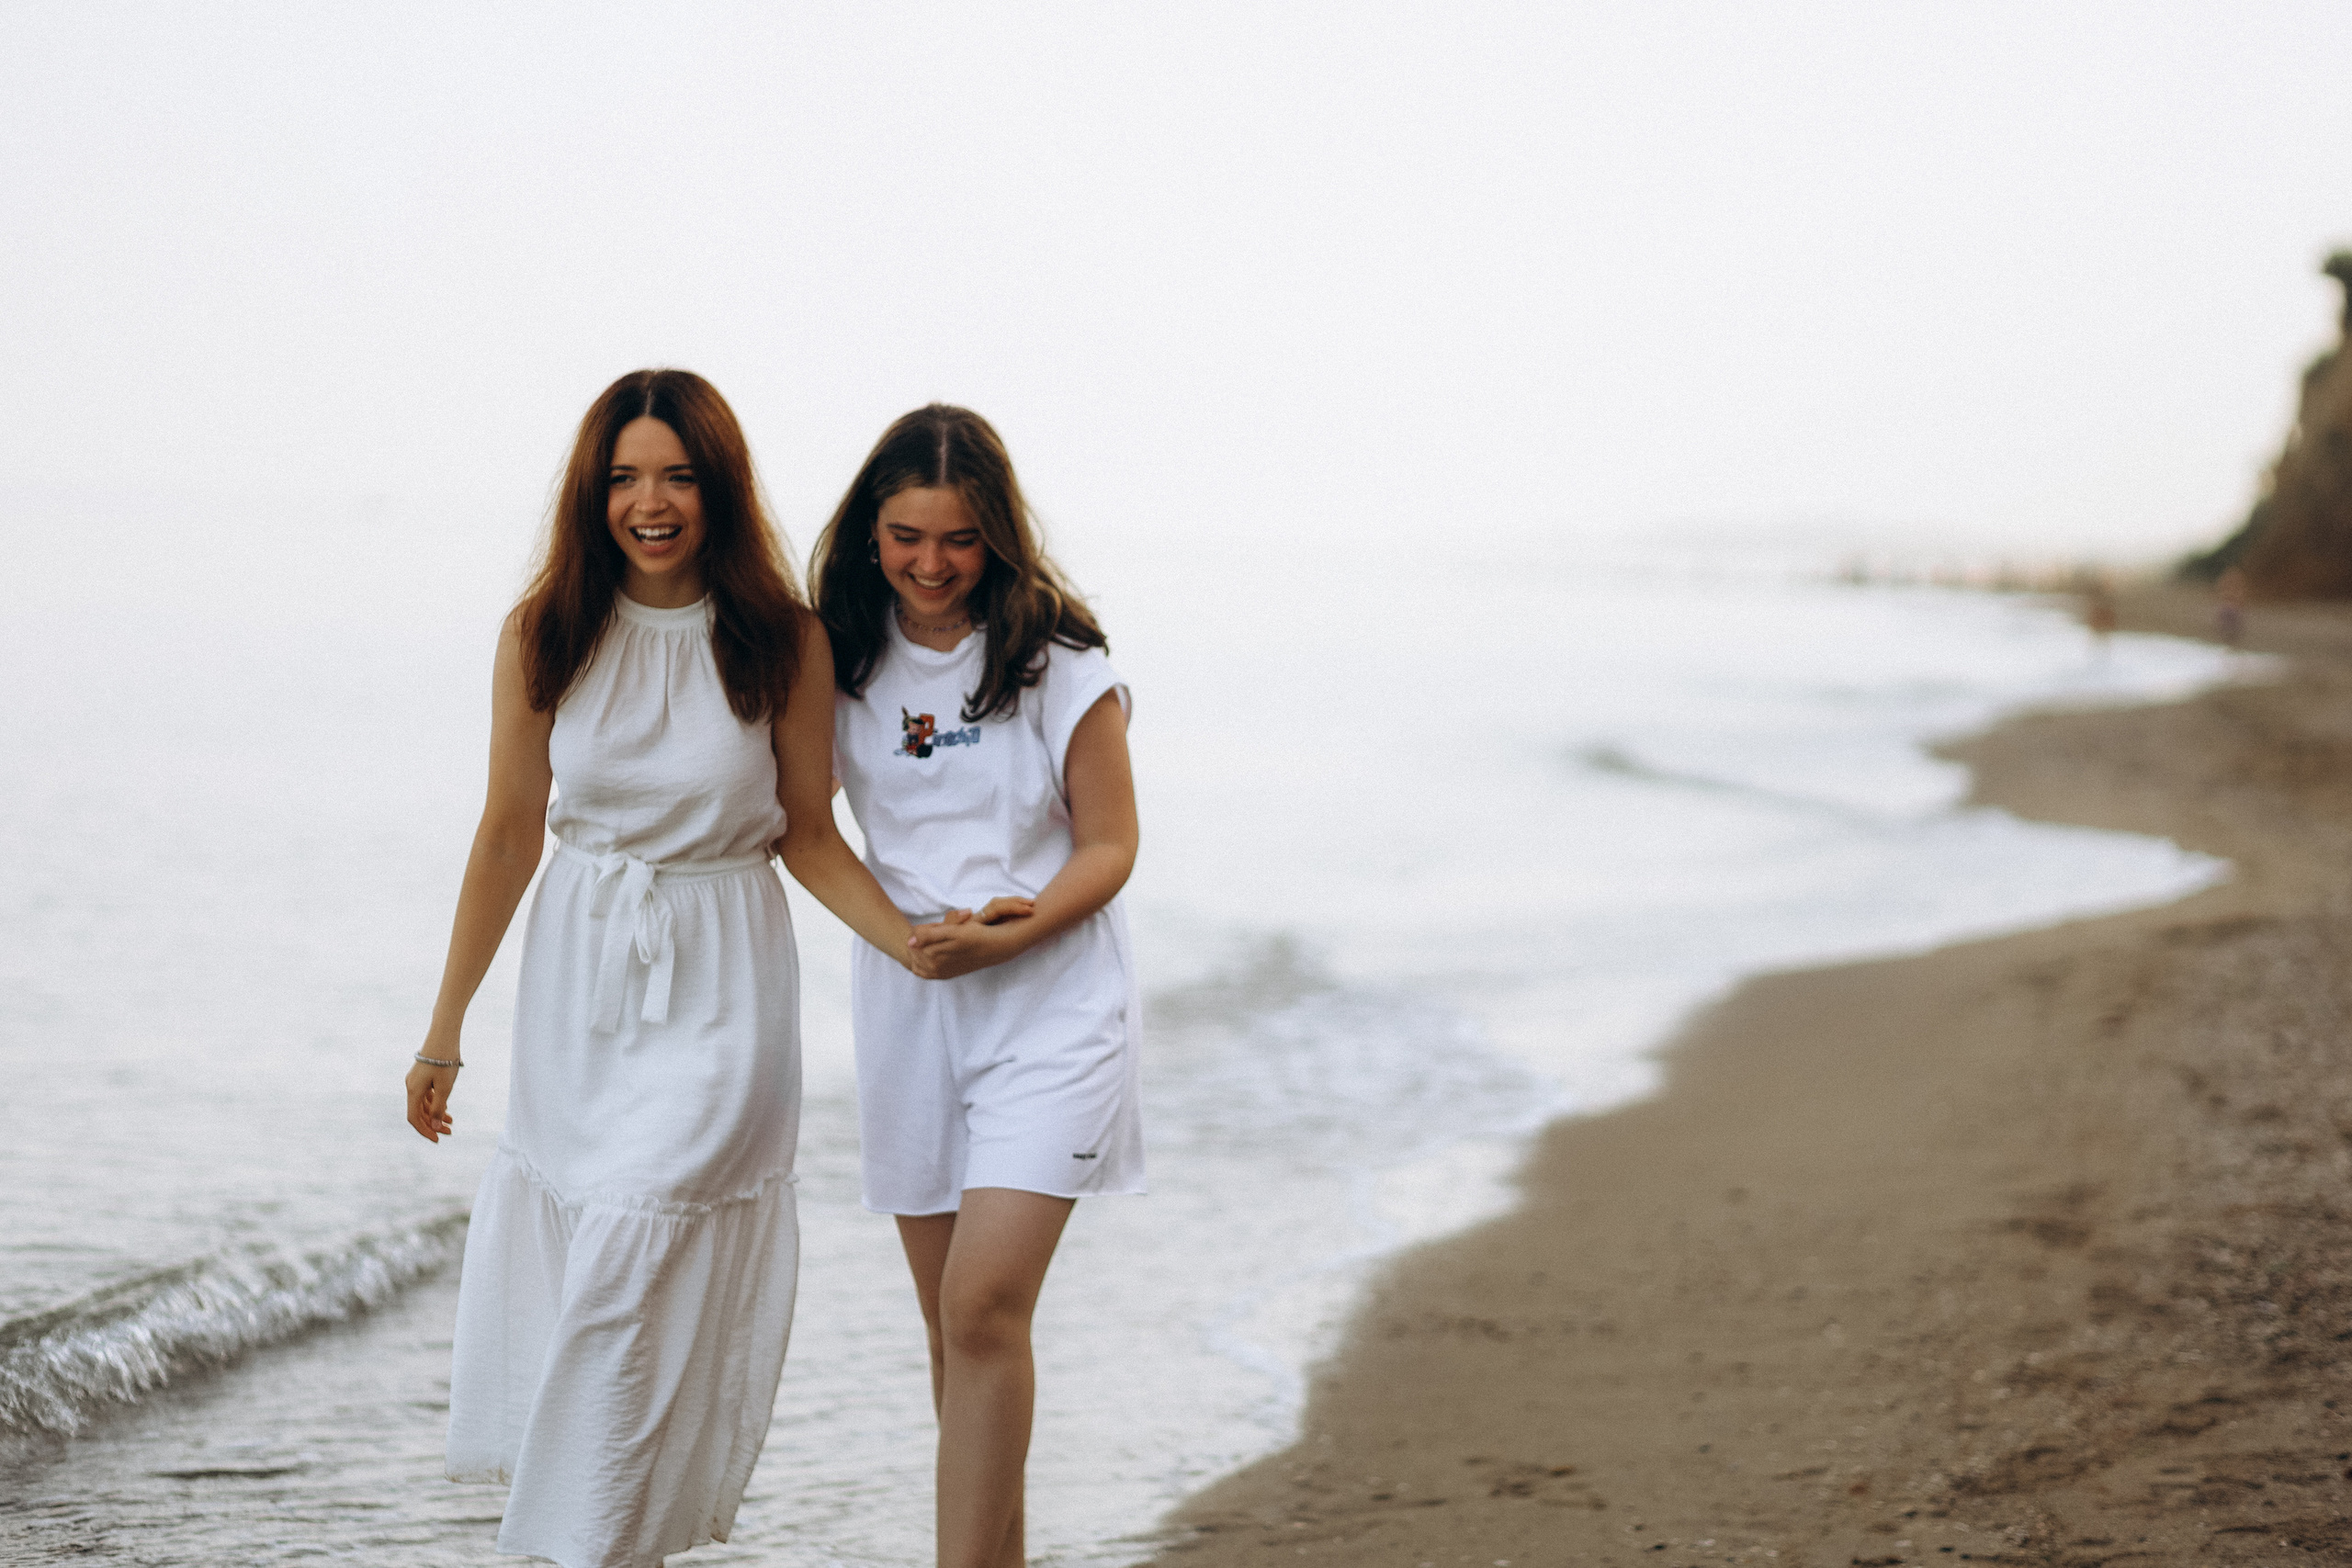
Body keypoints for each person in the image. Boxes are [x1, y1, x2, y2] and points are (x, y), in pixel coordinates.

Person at [403, 369, 921, 1568]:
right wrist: (444, 1030)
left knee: (634, 1248)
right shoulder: (545, 631)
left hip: (724, 987)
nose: (652, 500)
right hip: (577, 992)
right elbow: (505, 831)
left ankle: (570, 1545)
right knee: (597, 1264)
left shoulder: (783, 640)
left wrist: (913, 940)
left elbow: (805, 830)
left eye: (678, 474)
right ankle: (613, 1540)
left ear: (719, 488)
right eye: (627, 475)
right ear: (594, 493)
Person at [811, 404, 1145, 1568]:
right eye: (907, 536)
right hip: (910, 1006)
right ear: (868, 534)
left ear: (996, 537)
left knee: (985, 1306)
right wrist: (905, 939)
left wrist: (1013, 935)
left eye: (958, 539)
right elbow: (801, 826)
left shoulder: (1059, 657)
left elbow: (1109, 845)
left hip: (1050, 999)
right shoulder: (835, 654)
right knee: (952, 1337)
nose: (931, 564)